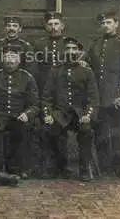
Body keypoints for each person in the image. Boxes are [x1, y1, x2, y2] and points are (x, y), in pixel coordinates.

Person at [41, 37, 99, 182]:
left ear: (79, 51)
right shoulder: (55, 71)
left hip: (80, 113)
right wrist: (48, 114)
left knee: (86, 131)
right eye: (68, 49)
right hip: (61, 113)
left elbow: (93, 98)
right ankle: (60, 167)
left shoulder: (87, 71)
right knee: (52, 129)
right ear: (63, 51)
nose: (71, 52)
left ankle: (85, 168)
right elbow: (46, 97)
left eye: (74, 49)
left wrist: (88, 115)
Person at [85, 12, 120, 178]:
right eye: (103, 23)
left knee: (116, 134)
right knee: (100, 134)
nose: (106, 25)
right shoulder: (96, 44)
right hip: (98, 98)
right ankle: (103, 167)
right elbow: (88, 66)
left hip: (114, 97)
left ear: (116, 24)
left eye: (109, 22)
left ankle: (119, 167)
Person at [0, 44, 40, 178]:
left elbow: (35, 104)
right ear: (2, 59)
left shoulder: (27, 78)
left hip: (19, 117)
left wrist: (27, 114)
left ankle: (19, 168)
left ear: (19, 60)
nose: (10, 60)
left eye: (13, 57)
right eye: (7, 57)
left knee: (24, 131)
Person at [33, 12, 67, 97]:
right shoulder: (39, 44)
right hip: (44, 84)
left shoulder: (69, 44)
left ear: (62, 26)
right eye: (50, 24)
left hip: (65, 83)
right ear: (46, 27)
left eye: (56, 24)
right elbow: (35, 66)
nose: (53, 27)